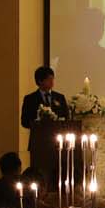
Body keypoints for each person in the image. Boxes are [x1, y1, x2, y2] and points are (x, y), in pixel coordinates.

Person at [20, 65, 72, 193]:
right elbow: (24, 121)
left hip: (58, 143)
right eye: (49, 79)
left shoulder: (59, 97)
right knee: (40, 172)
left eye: (53, 78)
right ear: (40, 81)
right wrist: (38, 122)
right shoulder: (30, 99)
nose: (52, 82)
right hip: (39, 143)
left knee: (58, 172)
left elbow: (66, 118)